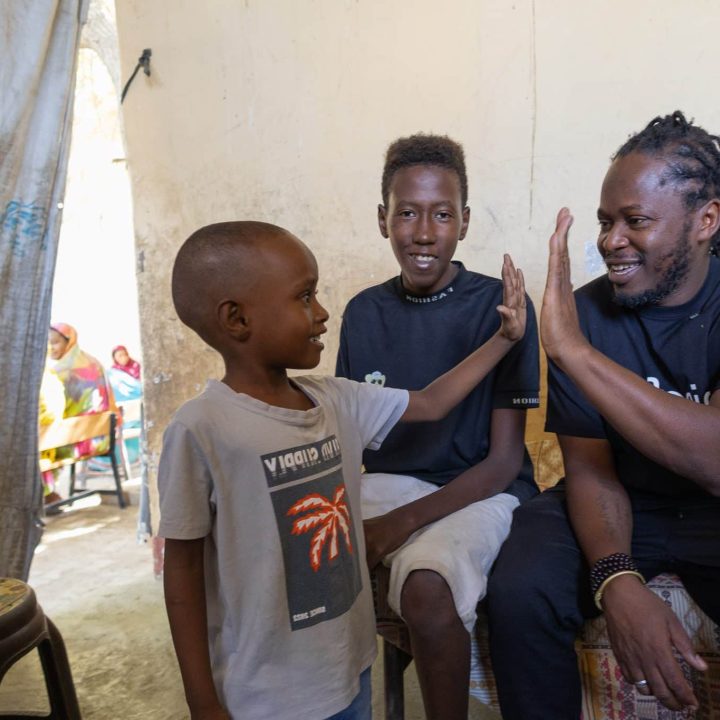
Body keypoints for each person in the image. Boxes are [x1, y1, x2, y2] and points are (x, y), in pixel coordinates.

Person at [158, 220, 527, 720]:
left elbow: (433, 401)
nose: (323, 312)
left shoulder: (336, 400)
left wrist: (506, 338)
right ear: (237, 319)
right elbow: (181, 570)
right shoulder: (202, 429)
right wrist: (201, 698)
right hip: (263, 695)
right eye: (305, 297)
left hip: (347, 672)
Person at [487, 111, 720, 719]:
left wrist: (575, 354)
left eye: (635, 221)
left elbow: (717, 461)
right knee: (520, 582)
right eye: (605, 221)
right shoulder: (583, 312)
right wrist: (616, 578)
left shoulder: (574, 334)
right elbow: (589, 468)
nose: (611, 240)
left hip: (711, 508)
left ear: (706, 221)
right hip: (624, 498)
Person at [335, 134, 539, 719]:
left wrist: (399, 525)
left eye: (442, 214)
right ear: (383, 220)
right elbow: (353, 447)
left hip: (482, 488)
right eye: (407, 212)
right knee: (300, 549)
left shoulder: (502, 310)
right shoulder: (363, 312)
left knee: (427, 590)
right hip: (391, 483)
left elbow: (503, 463)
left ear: (465, 222)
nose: (424, 232)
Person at [41, 323, 118, 503]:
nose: (51, 348)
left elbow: (53, 413)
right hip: (104, 436)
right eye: (48, 343)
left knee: (35, 450)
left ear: (69, 341)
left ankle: (47, 494)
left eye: (56, 342)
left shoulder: (60, 373)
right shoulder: (93, 362)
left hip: (79, 442)